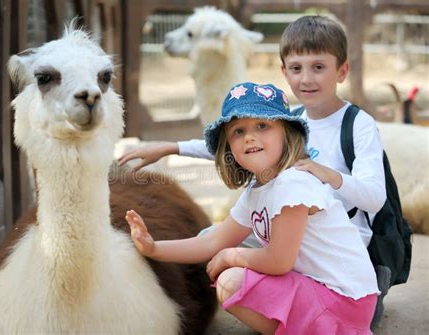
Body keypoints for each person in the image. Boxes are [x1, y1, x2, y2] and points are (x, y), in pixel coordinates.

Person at [119, 15, 389, 328]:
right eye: (238, 132)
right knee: (219, 252)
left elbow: (278, 260)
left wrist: (234, 255)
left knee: (234, 275)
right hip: (304, 261)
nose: (250, 137)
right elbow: (212, 243)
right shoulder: (260, 185)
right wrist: (152, 247)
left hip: (342, 286)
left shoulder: (301, 177)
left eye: (262, 126)